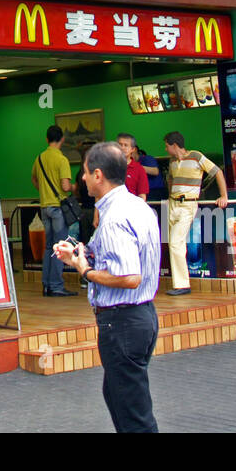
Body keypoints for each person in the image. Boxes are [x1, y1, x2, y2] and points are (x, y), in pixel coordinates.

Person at [54, 141, 160, 432]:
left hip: (123, 321)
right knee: (118, 395)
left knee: (132, 412)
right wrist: (81, 254)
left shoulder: (113, 219)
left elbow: (128, 276)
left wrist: (85, 271)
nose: (83, 179)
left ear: (98, 175)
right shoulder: (138, 207)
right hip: (141, 317)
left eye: (85, 172)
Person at [163, 131, 227, 296]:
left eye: (167, 145)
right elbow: (170, 180)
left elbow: (217, 172)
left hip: (188, 204)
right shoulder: (172, 162)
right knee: (174, 242)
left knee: (176, 242)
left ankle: (182, 285)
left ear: (174, 145)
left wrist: (224, 196)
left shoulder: (196, 156)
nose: (165, 149)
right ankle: (180, 283)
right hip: (173, 203)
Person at [31, 126, 75, 297]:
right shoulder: (62, 159)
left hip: (44, 207)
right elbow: (65, 186)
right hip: (58, 208)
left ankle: (46, 284)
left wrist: (43, 191)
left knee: (49, 247)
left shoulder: (40, 158)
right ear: (62, 139)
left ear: (46, 139)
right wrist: (73, 187)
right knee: (61, 248)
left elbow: (34, 179)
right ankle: (56, 285)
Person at [116, 133, 150, 200]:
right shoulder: (109, 167)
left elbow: (142, 196)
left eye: (126, 145)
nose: (122, 148)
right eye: (120, 145)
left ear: (133, 149)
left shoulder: (139, 169)